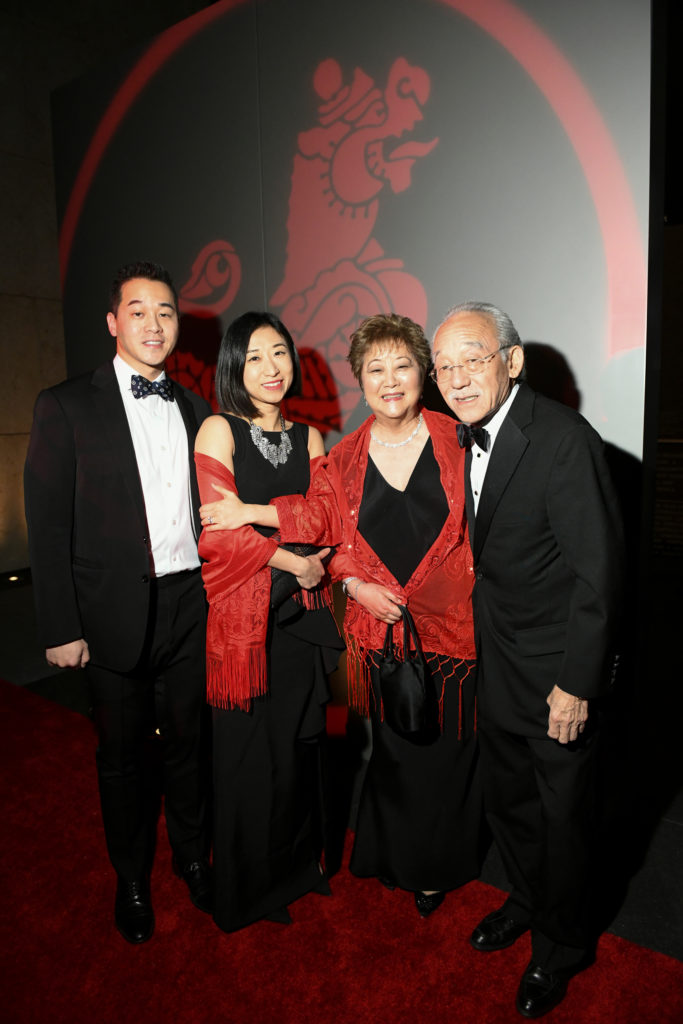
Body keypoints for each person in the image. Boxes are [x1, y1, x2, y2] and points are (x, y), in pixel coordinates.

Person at [200, 313, 481, 918]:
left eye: (401, 365)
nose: (390, 379)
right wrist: (352, 584)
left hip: (453, 630)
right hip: (374, 629)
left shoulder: (459, 439)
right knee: (391, 752)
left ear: (422, 373)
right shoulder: (346, 452)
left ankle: (438, 865)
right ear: (359, 380)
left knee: (448, 754)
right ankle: (387, 857)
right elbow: (331, 527)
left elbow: (484, 531)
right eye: (375, 369)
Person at [432, 301, 623, 1018]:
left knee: (563, 816)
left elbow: (598, 574)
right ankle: (527, 897)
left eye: (471, 359)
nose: (455, 377)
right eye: (443, 366)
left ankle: (561, 945)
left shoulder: (563, 439)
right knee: (510, 805)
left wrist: (575, 685)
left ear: (510, 362)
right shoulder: (457, 437)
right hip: (495, 665)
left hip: (553, 677)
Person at [24, 261, 213, 944]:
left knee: (193, 745)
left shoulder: (197, 408)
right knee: (123, 756)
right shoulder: (65, 404)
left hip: (190, 606)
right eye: (138, 312)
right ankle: (131, 878)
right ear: (113, 322)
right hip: (108, 614)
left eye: (164, 312)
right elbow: (46, 525)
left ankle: (193, 858)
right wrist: (60, 626)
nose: (153, 324)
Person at [193, 310, 344, 933]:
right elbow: (216, 538)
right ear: (235, 366)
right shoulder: (216, 431)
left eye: (279, 352)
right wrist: (294, 560)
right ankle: (248, 891)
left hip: (300, 626)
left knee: (296, 757)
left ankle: (295, 873)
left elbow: (327, 521)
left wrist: (265, 520)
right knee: (248, 764)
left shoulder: (311, 438)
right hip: (245, 628)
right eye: (254, 356)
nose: (271, 367)